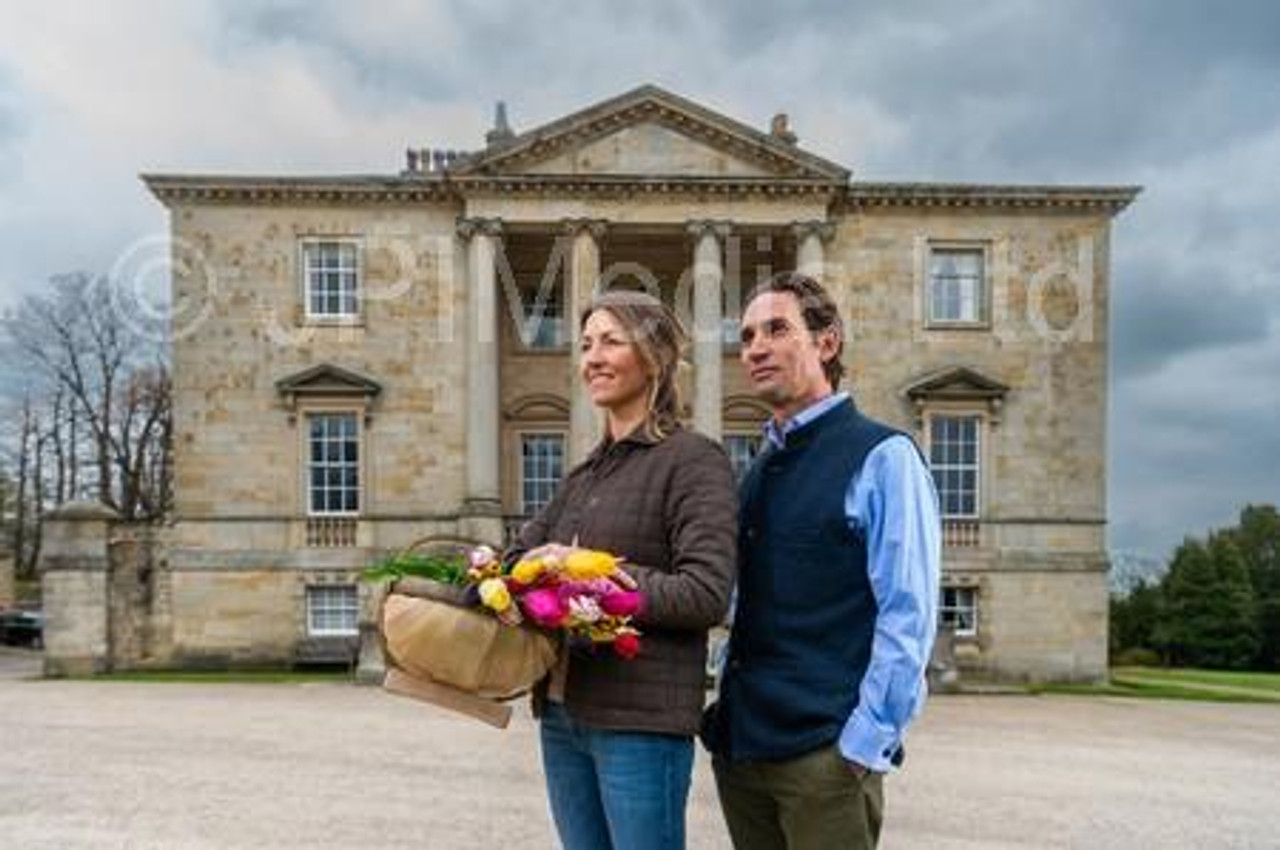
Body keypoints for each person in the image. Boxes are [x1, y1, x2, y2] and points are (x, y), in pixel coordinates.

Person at [703, 272, 941, 849]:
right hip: (743, 749)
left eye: (777, 330)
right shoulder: (759, 468)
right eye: (748, 335)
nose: (755, 347)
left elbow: (908, 613)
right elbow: (745, 603)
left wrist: (862, 747)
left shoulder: (884, 456)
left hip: (823, 758)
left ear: (826, 343)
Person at [509, 289, 738, 850]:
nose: (592, 357)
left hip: (641, 722)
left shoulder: (693, 460)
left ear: (654, 356)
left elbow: (706, 592)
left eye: (611, 341)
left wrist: (587, 576)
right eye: (587, 344)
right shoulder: (585, 474)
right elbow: (518, 558)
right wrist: (520, 573)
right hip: (563, 713)